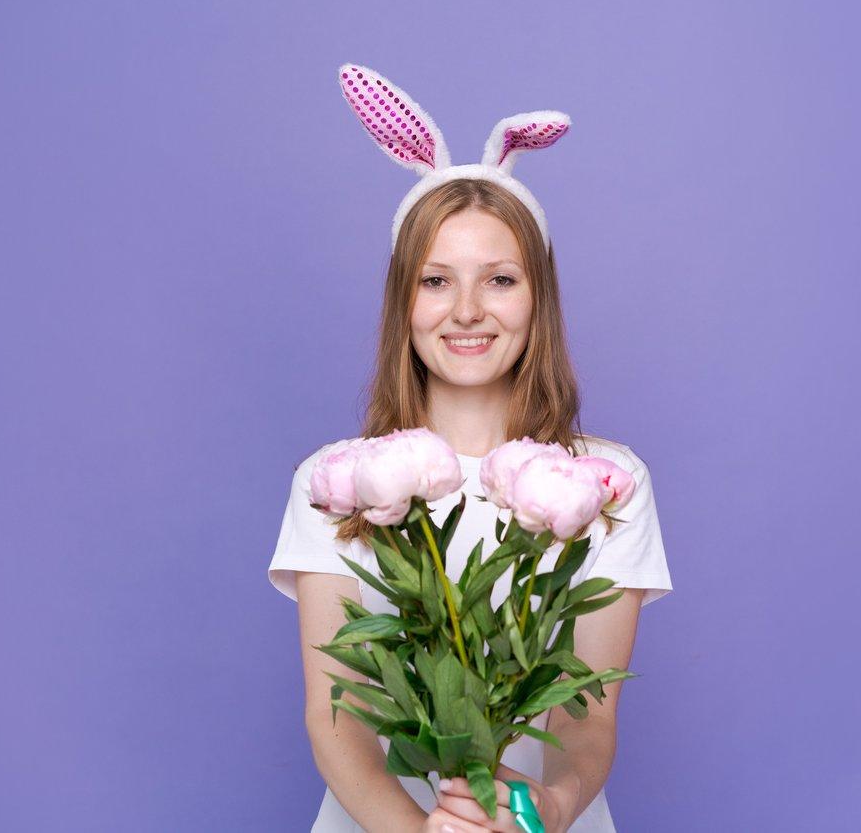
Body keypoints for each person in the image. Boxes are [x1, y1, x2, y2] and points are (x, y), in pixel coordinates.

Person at [266, 65, 673, 832]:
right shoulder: (339, 482)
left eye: (500, 279)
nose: (467, 311)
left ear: (537, 297)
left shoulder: (605, 482)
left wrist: (539, 809)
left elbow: (585, 719)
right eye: (435, 281)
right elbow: (335, 717)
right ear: (404, 300)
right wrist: (420, 830)